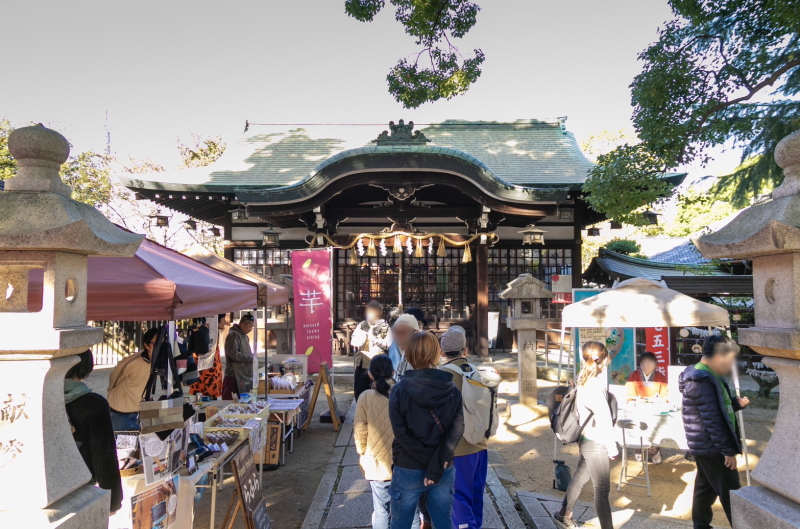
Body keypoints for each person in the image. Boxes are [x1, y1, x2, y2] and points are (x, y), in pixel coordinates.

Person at [388, 331, 464, 529]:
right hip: (442, 466)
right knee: (442, 523)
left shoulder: (399, 390)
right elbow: (457, 430)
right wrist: (435, 464)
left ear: (410, 354)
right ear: (436, 354)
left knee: (400, 524)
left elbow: (401, 434)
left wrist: (427, 463)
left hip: (408, 465)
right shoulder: (451, 389)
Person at [679, 334, 750, 529]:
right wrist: (728, 450)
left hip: (708, 445)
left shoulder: (706, 375)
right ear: (719, 357)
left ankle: (701, 525)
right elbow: (712, 419)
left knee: (705, 489)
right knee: (732, 494)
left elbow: (715, 408)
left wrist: (735, 404)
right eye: (730, 360)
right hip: (713, 446)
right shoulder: (700, 380)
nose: (731, 365)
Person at [553, 341, 618, 529]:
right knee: (602, 490)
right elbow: (604, 419)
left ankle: (563, 514)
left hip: (586, 437)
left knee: (581, 477)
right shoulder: (594, 385)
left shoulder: (582, 377)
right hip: (596, 440)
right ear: (604, 360)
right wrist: (612, 448)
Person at [355, 355, 420, 529]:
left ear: (370, 374)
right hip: (407, 461)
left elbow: (360, 430)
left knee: (382, 511)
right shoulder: (405, 392)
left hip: (378, 462)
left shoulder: (365, 397)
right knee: (411, 511)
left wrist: (363, 452)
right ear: (393, 371)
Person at [439, 326, 489, 529]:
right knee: (476, 494)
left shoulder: (442, 376)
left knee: (459, 496)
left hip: (456, 447)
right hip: (480, 442)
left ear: (442, 352)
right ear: (465, 350)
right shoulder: (476, 372)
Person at [65, 350, 123, 514]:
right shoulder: (93, 404)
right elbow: (103, 454)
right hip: (80, 483)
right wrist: (112, 501)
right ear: (86, 367)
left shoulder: (38, 397)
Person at [107, 327, 157, 431]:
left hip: (140, 412)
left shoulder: (159, 362)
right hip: (119, 412)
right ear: (147, 345)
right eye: (156, 343)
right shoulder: (131, 362)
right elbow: (114, 378)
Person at [627, 351, 669, 464]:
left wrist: (659, 400)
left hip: (654, 411)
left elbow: (665, 396)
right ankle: (638, 450)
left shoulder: (660, 377)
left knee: (654, 432)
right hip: (638, 409)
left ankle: (654, 451)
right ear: (640, 365)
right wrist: (635, 399)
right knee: (637, 430)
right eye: (644, 363)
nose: (647, 366)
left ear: (655, 365)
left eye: (650, 363)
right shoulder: (634, 376)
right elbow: (629, 393)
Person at [351, 300, 392, 401]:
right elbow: (354, 341)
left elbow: (388, 344)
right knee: (360, 391)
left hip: (377, 365)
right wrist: (361, 338)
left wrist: (374, 339)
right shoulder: (362, 325)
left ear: (379, 313)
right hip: (361, 364)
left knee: (376, 392)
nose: (368, 313)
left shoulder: (385, 326)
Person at [191, 314, 228, 399]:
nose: (225, 322)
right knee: (205, 401)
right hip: (207, 375)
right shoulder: (203, 336)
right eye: (223, 320)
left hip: (214, 374)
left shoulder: (215, 335)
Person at [222, 313, 255, 400]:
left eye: (252, 327)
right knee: (231, 401)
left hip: (243, 374)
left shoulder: (245, 336)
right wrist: (251, 358)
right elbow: (234, 355)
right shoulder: (233, 335)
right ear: (243, 324)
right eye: (249, 327)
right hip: (233, 375)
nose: (251, 330)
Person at [387, 313, 419, 380]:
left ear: (415, 333)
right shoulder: (394, 346)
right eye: (395, 332)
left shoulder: (421, 354)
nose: (398, 337)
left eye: (402, 333)